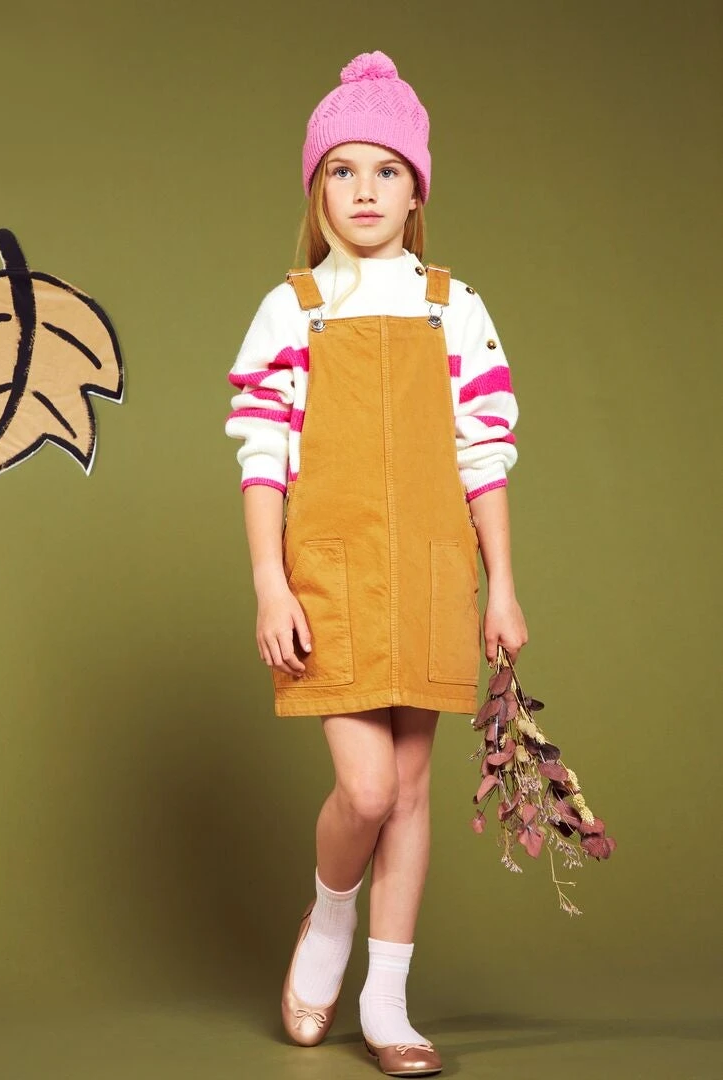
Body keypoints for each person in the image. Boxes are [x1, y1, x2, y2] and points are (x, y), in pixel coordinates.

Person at [225, 50, 527, 1078]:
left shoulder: (454, 305)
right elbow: (262, 455)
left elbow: (484, 454)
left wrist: (503, 587)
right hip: (330, 577)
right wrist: (270, 583)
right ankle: (329, 916)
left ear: (416, 188)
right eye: (344, 170)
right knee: (364, 790)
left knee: (409, 789)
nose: (365, 190)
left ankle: (388, 1006)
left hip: (434, 572)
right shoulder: (294, 306)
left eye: (387, 170)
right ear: (318, 189)